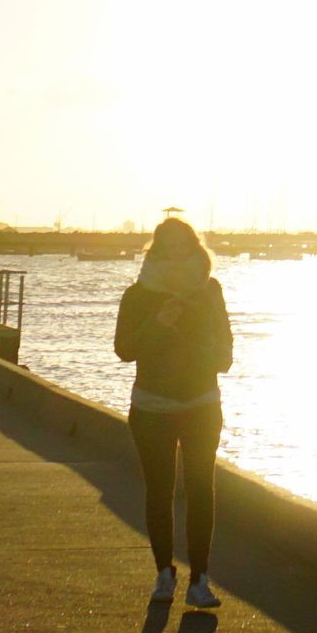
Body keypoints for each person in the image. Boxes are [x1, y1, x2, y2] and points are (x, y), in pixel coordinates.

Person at [113, 212, 233, 611]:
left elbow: (226, 348)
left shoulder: (210, 290)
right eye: (169, 248)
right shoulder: (138, 295)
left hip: (202, 403)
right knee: (159, 492)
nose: (178, 256)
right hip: (152, 406)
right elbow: (124, 349)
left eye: (185, 247)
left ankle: (200, 580)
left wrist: (209, 355)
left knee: (201, 490)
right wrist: (157, 324)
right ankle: (164, 573)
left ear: (196, 249)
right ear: (156, 251)